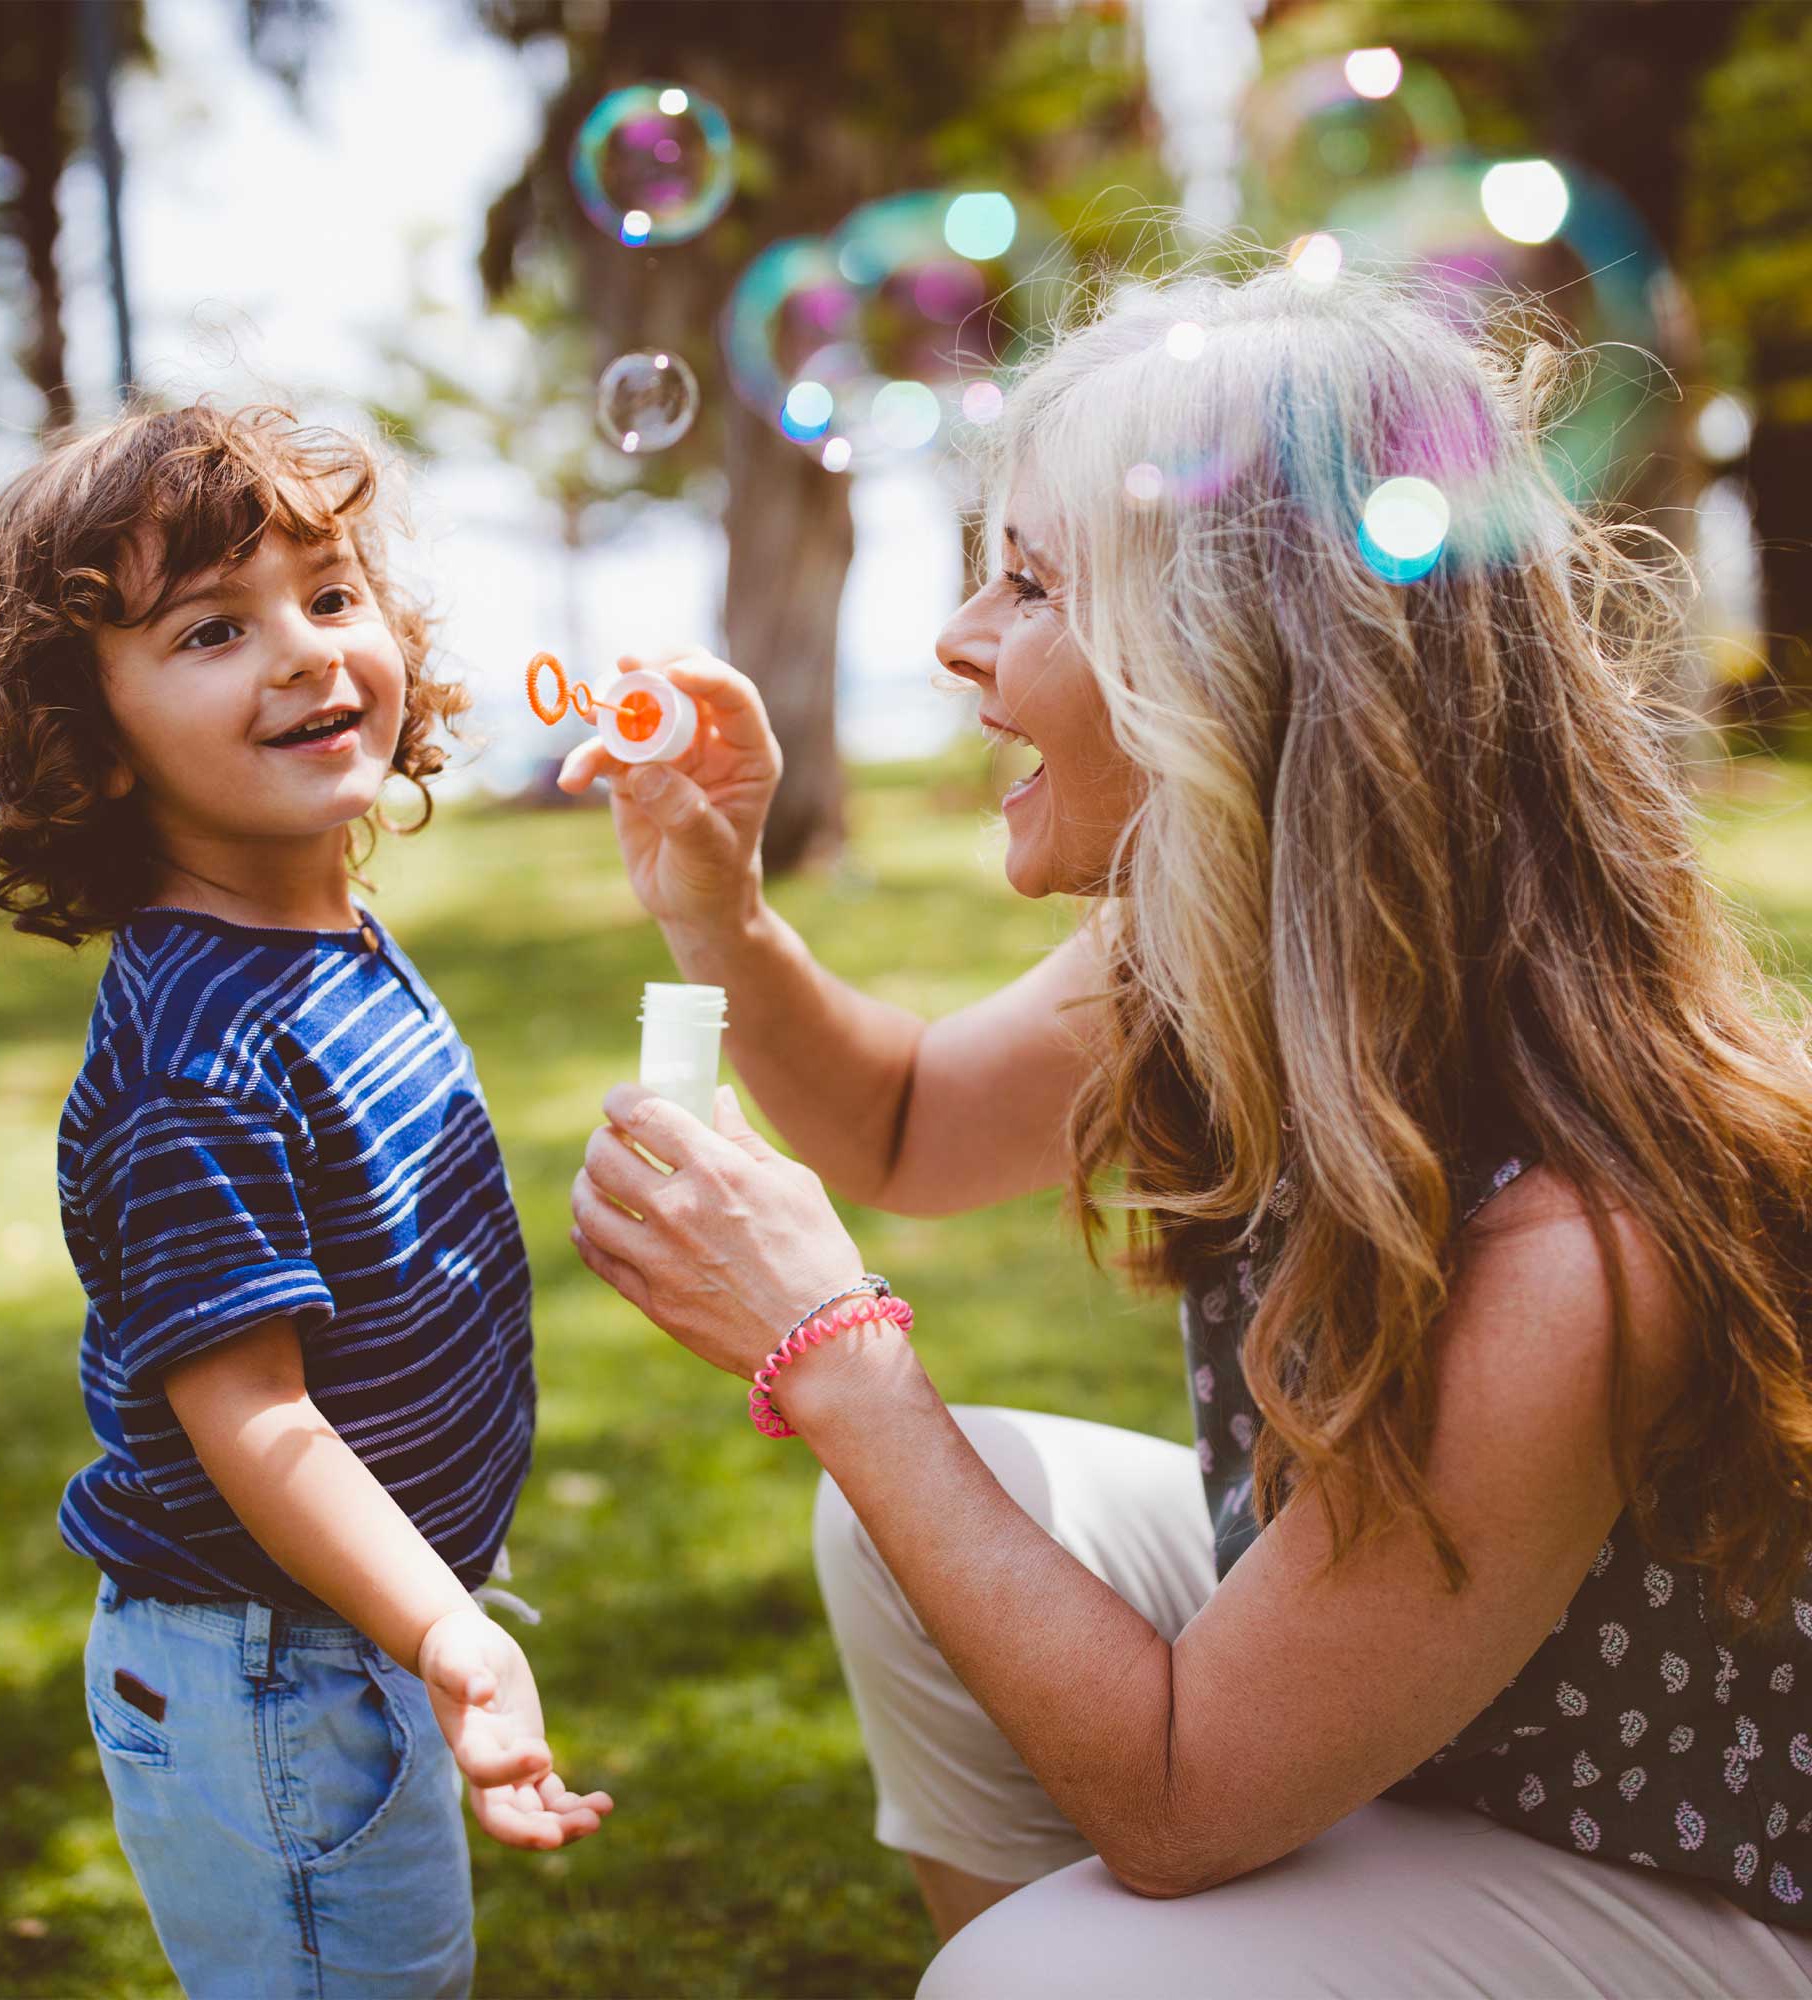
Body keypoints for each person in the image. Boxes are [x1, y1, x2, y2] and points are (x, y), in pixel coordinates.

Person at [563, 258, 1812, 1995]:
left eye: (1032, 584)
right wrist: (723, 912)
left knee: (1047, 1972)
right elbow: (908, 1127)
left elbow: (1179, 1797)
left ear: (1238, 671)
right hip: (1421, 1716)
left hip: (1673, 1871)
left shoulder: (1580, 1244)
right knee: (941, 1523)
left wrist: (832, 1351)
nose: (957, 640)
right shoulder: (1217, 943)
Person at [0, 403, 610, 1999]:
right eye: (214, 629)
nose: (305, 653)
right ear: (89, 737)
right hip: (271, 1670)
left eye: (330, 593)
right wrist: (448, 1633)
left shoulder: (329, 932)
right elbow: (257, 1421)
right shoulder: (194, 1057)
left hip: (337, 1633)